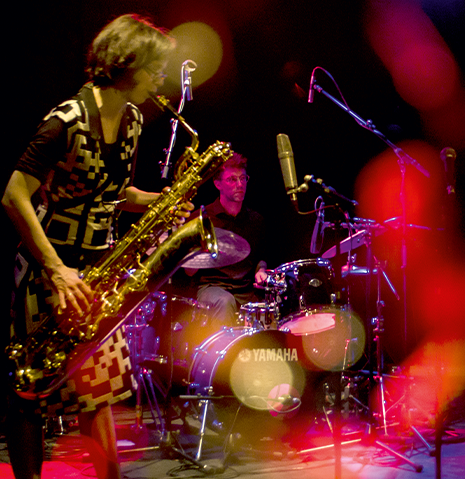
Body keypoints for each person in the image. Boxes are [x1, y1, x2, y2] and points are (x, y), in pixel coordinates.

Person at [1, 14, 190, 479]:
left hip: (97, 275)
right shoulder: (65, 121)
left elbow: (116, 193)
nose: (160, 79)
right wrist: (56, 270)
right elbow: (13, 194)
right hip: (49, 272)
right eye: (154, 69)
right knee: (30, 394)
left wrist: (163, 201)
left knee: (99, 393)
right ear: (127, 63)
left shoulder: (132, 121)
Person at [186, 152, 268, 331]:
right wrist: (201, 250)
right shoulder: (201, 219)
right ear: (217, 184)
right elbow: (188, 271)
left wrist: (261, 270)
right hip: (211, 288)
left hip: (245, 291)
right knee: (225, 301)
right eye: (232, 179)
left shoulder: (255, 220)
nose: (240, 184)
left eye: (243, 178)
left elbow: (260, 257)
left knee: (270, 307)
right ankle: (221, 350)